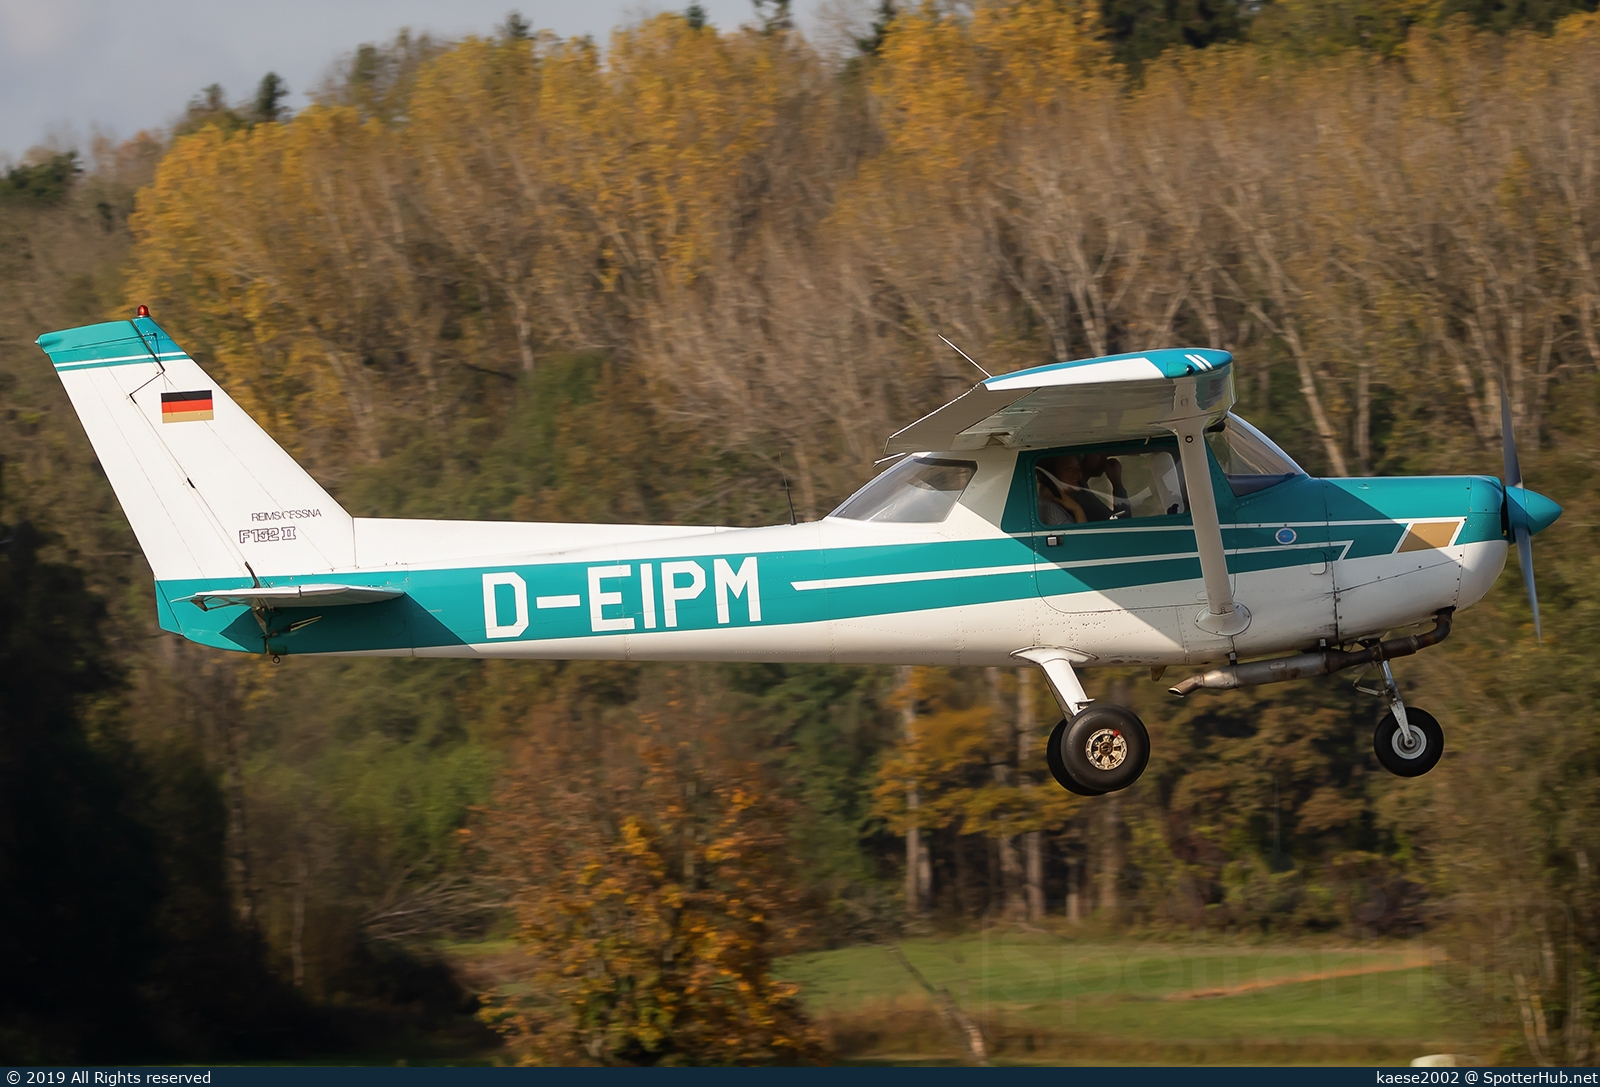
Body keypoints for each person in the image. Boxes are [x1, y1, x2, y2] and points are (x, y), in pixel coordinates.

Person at [1037, 453, 1129, 524]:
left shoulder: (1072, 497)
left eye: (1078, 468)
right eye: (1069, 469)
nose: (1078, 475)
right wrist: (1078, 511)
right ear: (1051, 474)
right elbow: (1079, 544)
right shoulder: (1051, 510)